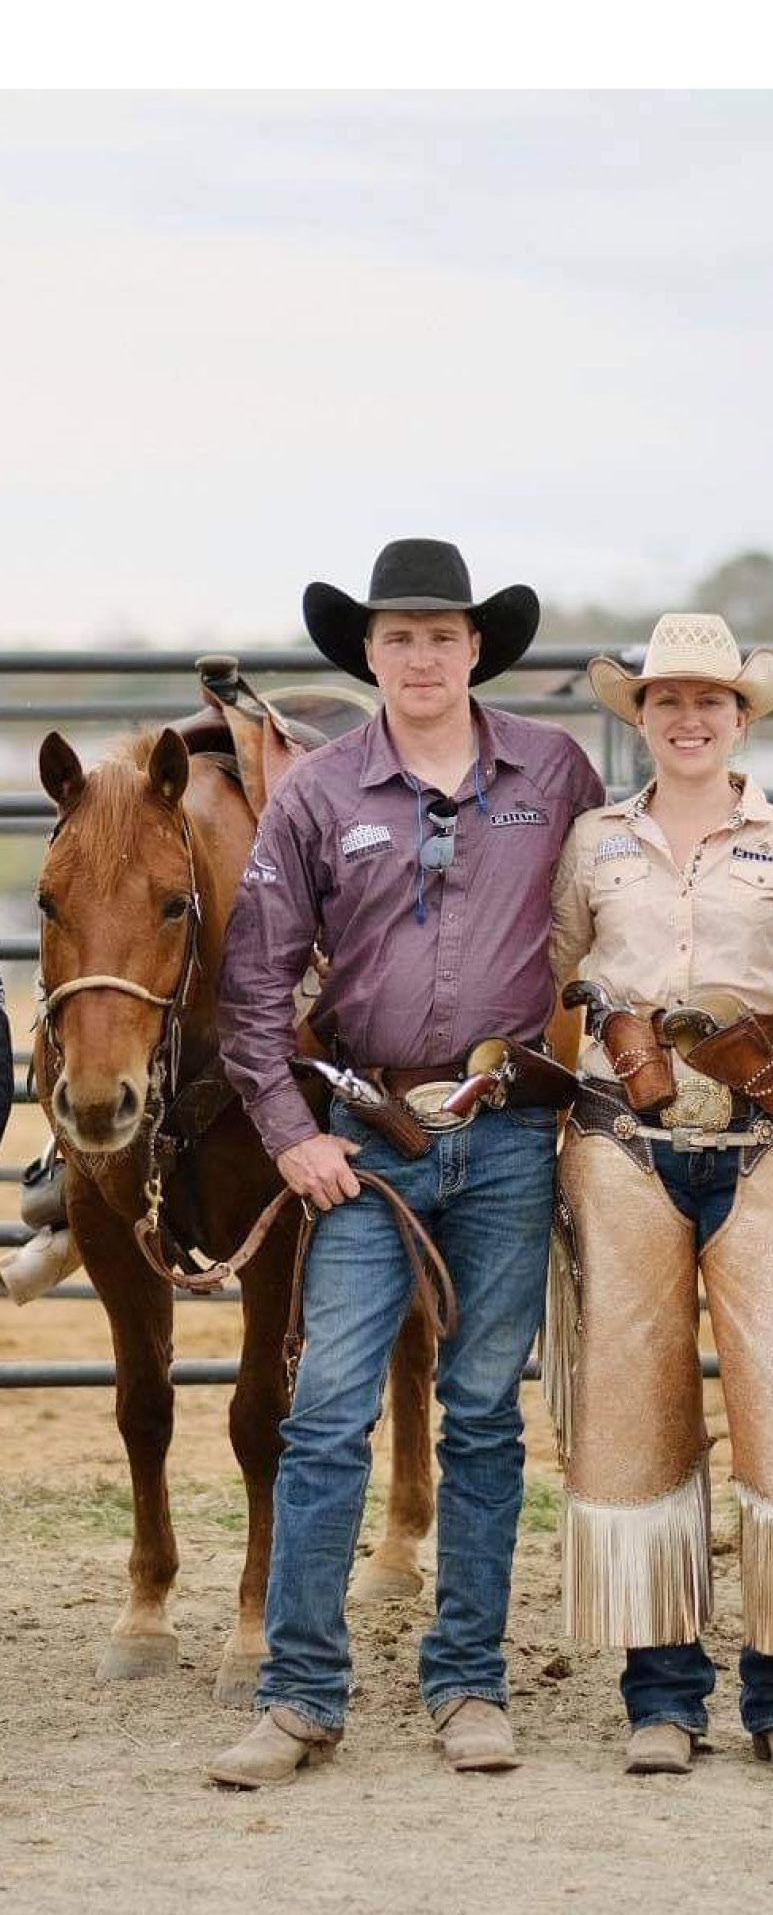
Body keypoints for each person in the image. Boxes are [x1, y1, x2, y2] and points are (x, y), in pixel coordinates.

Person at [210, 537, 604, 1785]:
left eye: (443, 634)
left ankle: (470, 1684)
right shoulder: (317, 793)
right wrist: (292, 1136)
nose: (422, 655)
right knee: (329, 1414)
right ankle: (302, 1694)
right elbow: (253, 986)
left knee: (482, 1417)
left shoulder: (557, 773)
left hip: (506, 1137)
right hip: (370, 1149)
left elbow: (617, 926)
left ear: (478, 646)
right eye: (398, 637)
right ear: (367, 655)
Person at [548, 611, 773, 1778]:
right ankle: (662, 1698)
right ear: (643, 719)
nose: (689, 719)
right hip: (619, 1139)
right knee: (633, 1414)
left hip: (762, 1137)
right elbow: (555, 977)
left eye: (710, 701)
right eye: (667, 701)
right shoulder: (593, 845)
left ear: (741, 717)